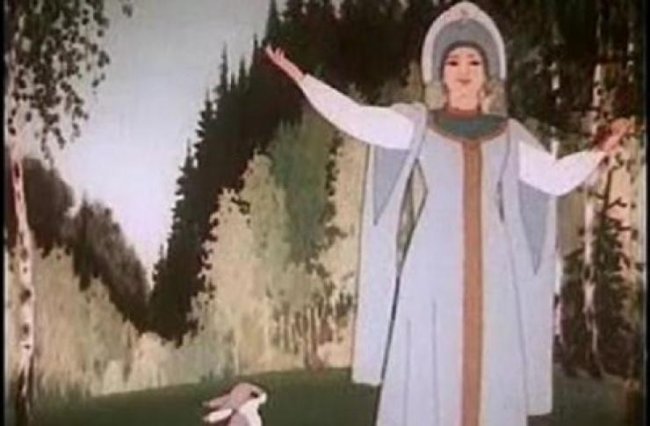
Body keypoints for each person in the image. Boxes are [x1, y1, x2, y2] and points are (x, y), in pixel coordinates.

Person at [265, 2, 630, 426]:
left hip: (493, 269)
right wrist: (301, 78)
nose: (463, 70)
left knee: (490, 360)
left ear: (488, 73)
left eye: (474, 61)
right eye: (454, 61)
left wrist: (599, 151)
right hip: (431, 267)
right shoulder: (420, 124)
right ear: (440, 72)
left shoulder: (508, 134)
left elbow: (552, 178)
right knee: (430, 359)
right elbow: (358, 119)